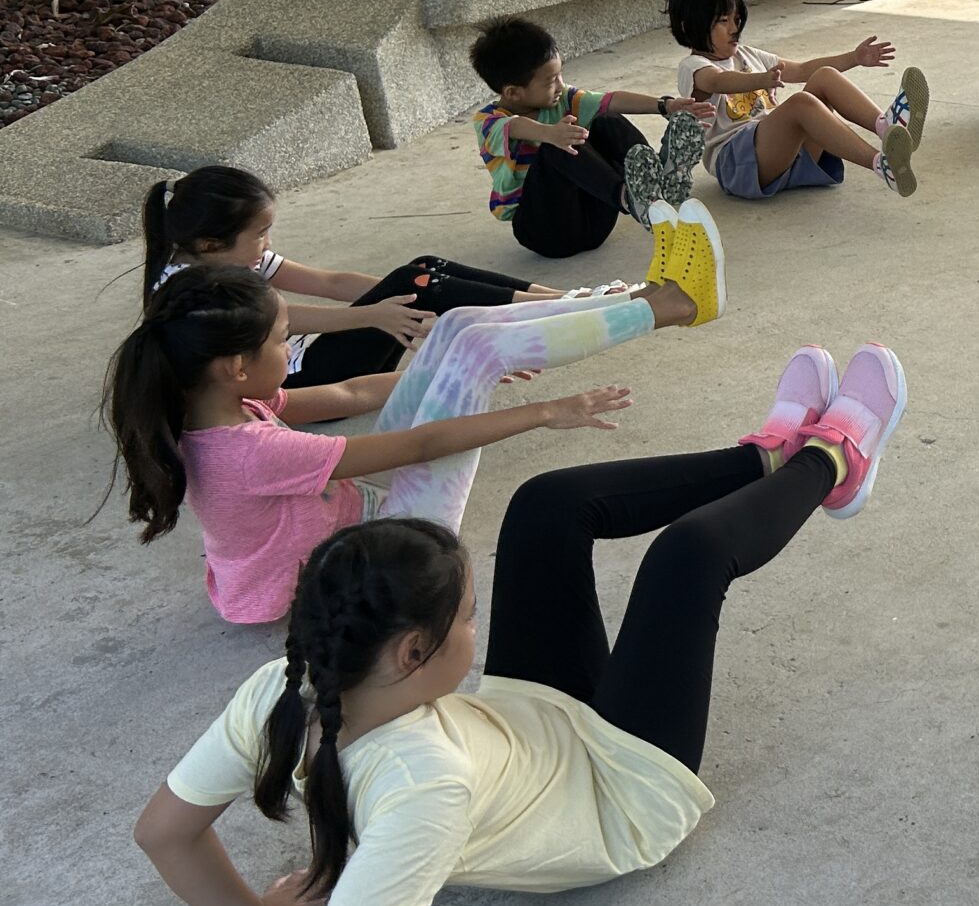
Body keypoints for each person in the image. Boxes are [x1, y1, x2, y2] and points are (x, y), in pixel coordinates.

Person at [130, 341, 906, 906]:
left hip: (527, 726)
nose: (477, 626)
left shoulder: (280, 687)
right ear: (411, 654)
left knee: (543, 505)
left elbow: (163, 830)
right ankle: (831, 459)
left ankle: (761, 457)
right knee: (688, 558)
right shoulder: (422, 785)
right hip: (619, 794)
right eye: (466, 618)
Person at [108, 205, 722, 624]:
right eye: (282, 343)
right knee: (477, 352)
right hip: (376, 566)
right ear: (235, 365)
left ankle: (644, 297)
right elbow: (424, 445)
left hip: (339, 531)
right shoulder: (253, 452)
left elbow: (348, 393)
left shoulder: (217, 405)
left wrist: (443, 369)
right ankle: (673, 305)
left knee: (456, 328)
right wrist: (542, 411)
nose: (288, 354)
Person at [140, 164, 592, 389]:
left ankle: (553, 298)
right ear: (209, 245)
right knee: (419, 283)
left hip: (312, 358)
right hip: (301, 379)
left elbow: (332, 283)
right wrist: (375, 314)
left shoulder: (233, 258)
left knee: (422, 270)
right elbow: (286, 318)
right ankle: (562, 308)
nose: (267, 244)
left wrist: (400, 291)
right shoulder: (190, 288)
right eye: (260, 234)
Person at [664, 0, 926, 201]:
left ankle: (888, 125)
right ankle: (881, 165)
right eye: (723, 21)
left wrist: (854, 58)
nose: (734, 29)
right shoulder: (693, 66)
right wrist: (762, 80)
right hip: (739, 163)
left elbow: (802, 70)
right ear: (692, 26)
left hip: (785, 155)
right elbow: (718, 81)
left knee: (824, 75)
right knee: (800, 105)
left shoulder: (747, 54)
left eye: (736, 20)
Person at [470, 16, 715, 259]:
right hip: (545, 232)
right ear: (513, 93)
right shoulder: (488, 121)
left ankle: (656, 180)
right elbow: (516, 126)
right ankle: (629, 197)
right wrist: (551, 134)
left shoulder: (563, 98)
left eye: (559, 75)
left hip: (595, 219)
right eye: (550, 81)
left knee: (604, 118)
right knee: (557, 146)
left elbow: (612, 100)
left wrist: (666, 106)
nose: (560, 85)